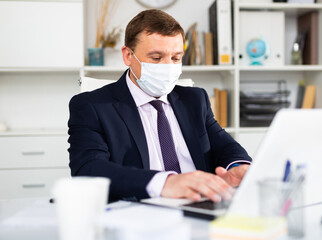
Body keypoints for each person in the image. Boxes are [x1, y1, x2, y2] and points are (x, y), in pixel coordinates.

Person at [68, 9, 252, 203]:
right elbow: (88, 168)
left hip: (199, 206)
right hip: (138, 214)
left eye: (176, 58)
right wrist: (165, 183)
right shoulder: (92, 106)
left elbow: (225, 146)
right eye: (156, 58)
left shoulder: (195, 99)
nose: (168, 67)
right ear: (128, 55)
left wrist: (237, 167)